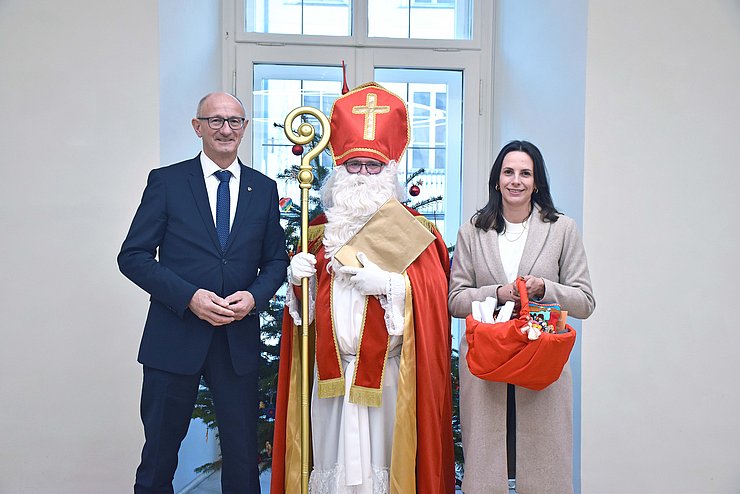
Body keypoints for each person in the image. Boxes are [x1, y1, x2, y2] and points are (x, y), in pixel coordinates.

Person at [271, 82, 455, 494]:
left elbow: (432, 304)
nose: (362, 176)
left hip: (387, 377)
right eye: (353, 166)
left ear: (389, 171)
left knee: (384, 471)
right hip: (330, 377)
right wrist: (297, 280)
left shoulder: (415, 231)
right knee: (331, 467)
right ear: (339, 170)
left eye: (373, 167)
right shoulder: (317, 233)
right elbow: (305, 316)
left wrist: (391, 284)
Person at [118, 92, 289, 493]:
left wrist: (254, 297)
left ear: (244, 128)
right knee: (160, 453)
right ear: (198, 127)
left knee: (244, 454)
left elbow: (277, 261)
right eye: (215, 121)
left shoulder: (263, 190)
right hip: (173, 335)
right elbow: (133, 256)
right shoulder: (167, 182)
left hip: (237, 339)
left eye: (234, 121)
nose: (225, 129)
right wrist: (188, 296)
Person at [448, 140, 595, 494]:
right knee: (487, 470)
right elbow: (454, 300)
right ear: (496, 181)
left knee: (543, 468)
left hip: (541, 363)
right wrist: (497, 293)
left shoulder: (562, 229)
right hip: (487, 364)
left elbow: (585, 302)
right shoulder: (472, 232)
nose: (516, 180)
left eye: (525, 173)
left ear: (537, 182)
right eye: (508, 172)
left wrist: (545, 288)